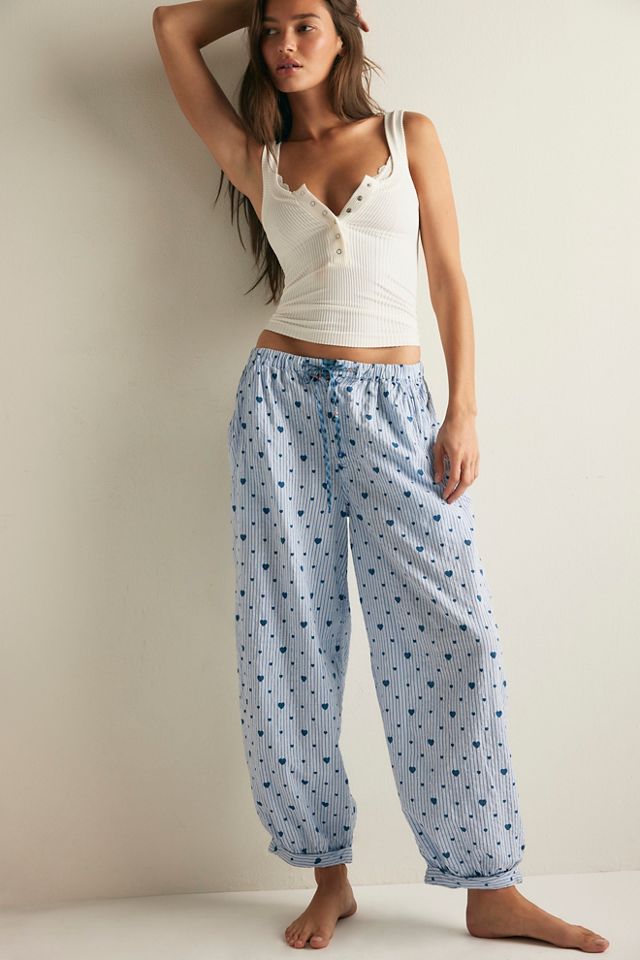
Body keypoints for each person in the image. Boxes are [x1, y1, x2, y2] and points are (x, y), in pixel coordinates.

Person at [152, 0, 610, 952]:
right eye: (271, 30)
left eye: (304, 25)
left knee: (456, 635)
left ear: (345, 33)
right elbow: (170, 26)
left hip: (396, 407)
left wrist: (463, 409)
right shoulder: (258, 156)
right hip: (279, 407)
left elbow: (448, 277)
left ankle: (490, 886)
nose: (283, 46)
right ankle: (330, 879)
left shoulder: (408, 135)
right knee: (288, 645)